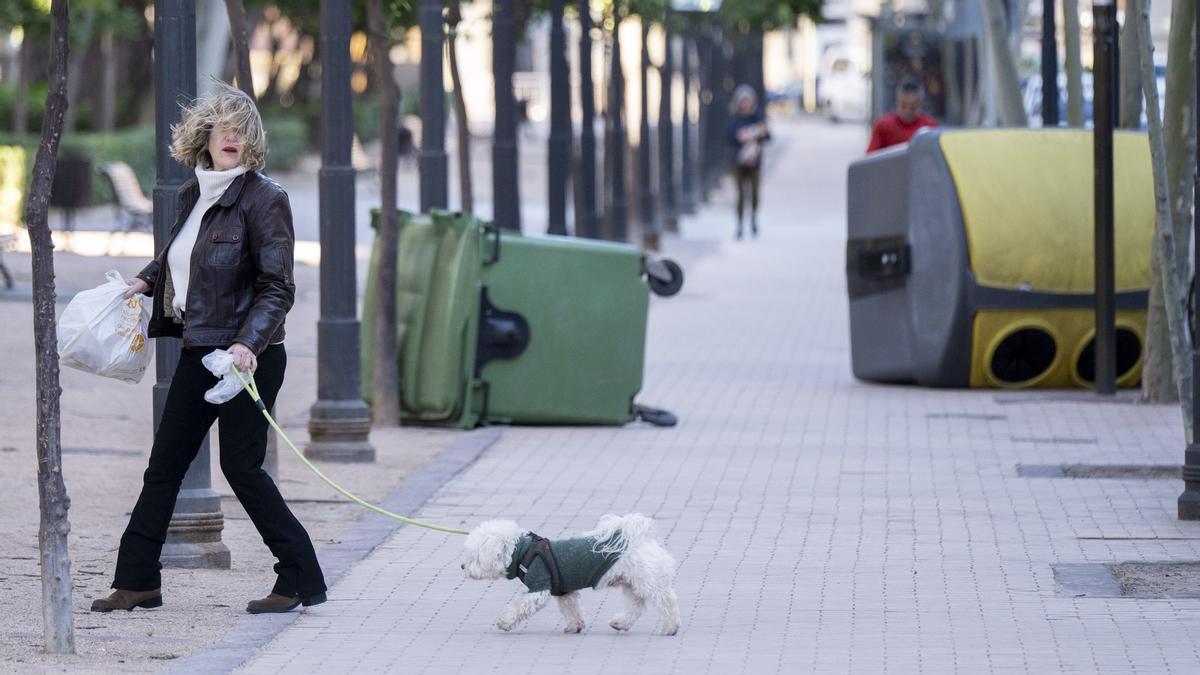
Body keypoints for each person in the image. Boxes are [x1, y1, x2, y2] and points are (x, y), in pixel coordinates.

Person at [90, 81, 327, 615]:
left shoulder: (266, 198)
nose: (233, 136)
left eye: (242, 129)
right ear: (205, 134)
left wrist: (248, 344)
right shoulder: (193, 193)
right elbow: (184, 255)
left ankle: (300, 576)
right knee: (164, 465)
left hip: (249, 359)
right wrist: (146, 279)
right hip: (202, 352)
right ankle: (137, 582)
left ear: (252, 141)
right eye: (223, 126)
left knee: (242, 469)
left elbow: (278, 286)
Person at [727, 84, 770, 239]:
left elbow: (768, 136)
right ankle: (739, 224)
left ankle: (753, 218)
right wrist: (740, 136)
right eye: (743, 101)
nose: (746, 104)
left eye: (748, 101)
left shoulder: (758, 118)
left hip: (754, 163)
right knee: (740, 195)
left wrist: (756, 134)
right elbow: (728, 137)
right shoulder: (735, 119)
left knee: (754, 194)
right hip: (738, 163)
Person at [866, 80, 939, 153]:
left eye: (913, 107)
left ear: (921, 104)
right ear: (897, 102)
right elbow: (871, 158)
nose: (907, 111)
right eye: (903, 106)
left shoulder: (931, 127)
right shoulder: (883, 125)